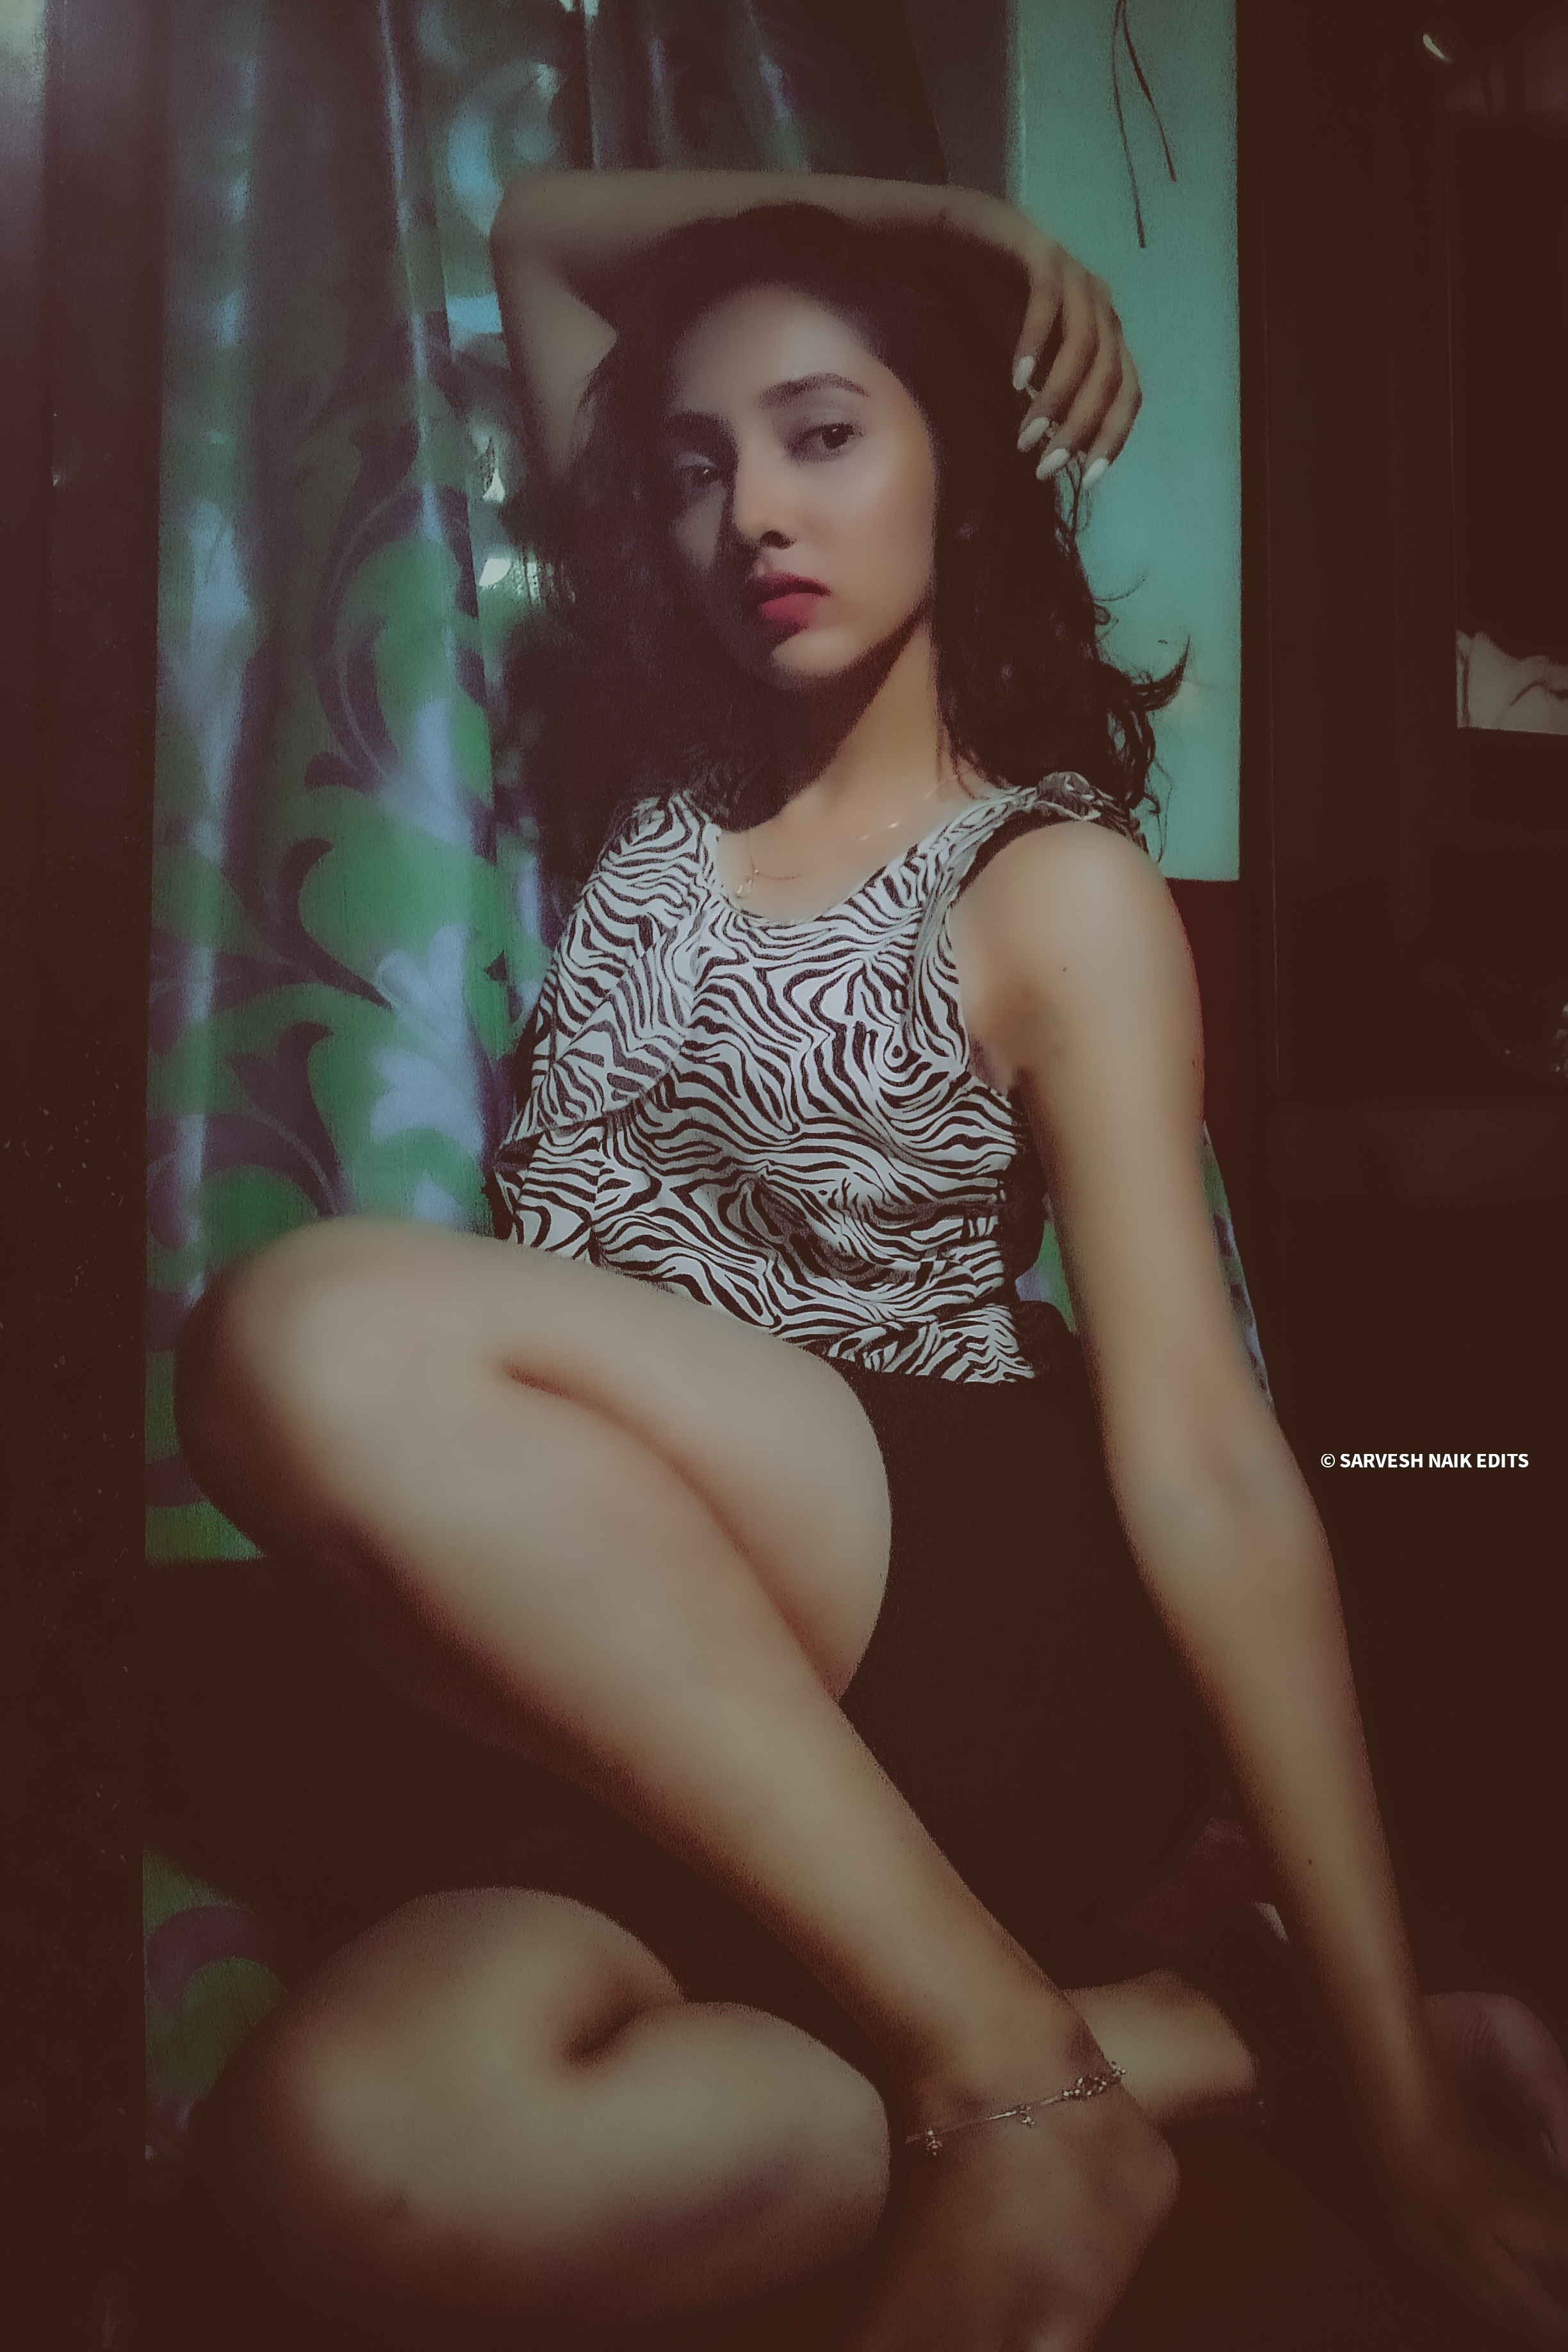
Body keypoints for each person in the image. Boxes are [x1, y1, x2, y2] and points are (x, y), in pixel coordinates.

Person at [173, 170, 1568, 2351]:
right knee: (359, 2174)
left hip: (959, 1598)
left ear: (961, 473)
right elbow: (545, 232)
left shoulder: (1052, 888)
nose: (754, 511)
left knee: (311, 1338)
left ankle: (1022, 2085)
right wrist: (947, 230)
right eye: (697, 466)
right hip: (663, 1672)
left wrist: (1413, 2117)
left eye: (827, 434)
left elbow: (1207, 1459)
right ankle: (1178, 2044)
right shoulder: (668, 779)